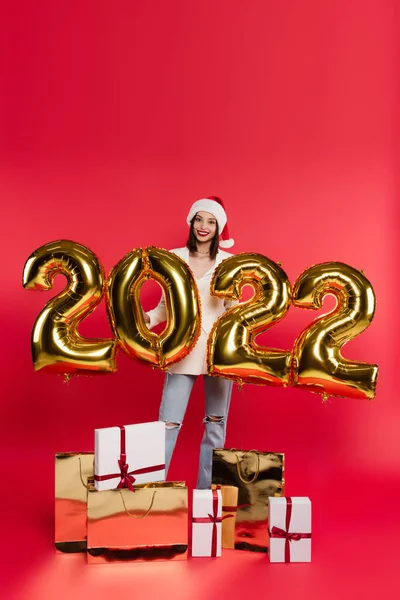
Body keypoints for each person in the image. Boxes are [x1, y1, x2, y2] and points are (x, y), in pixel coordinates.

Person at [144, 196, 235, 489]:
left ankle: (205, 494)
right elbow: (163, 307)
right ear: (191, 222)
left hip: (218, 354)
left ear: (219, 227)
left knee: (215, 424)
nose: (204, 227)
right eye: (199, 220)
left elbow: (233, 309)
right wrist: (144, 320)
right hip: (182, 351)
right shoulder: (174, 258)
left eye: (211, 222)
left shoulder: (229, 263)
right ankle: (152, 494)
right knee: (167, 426)